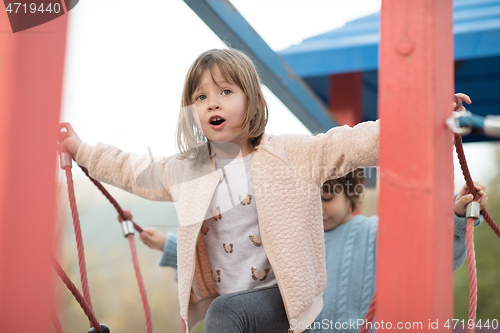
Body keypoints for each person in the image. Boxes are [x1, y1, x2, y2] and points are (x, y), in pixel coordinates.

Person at [58, 48, 468, 333]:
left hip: (280, 299)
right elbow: (133, 169)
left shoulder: (289, 154)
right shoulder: (188, 171)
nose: (212, 103)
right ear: (192, 112)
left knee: (222, 315)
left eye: (224, 92)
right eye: (201, 97)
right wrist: (82, 149)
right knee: (225, 312)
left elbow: (350, 143)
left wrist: (422, 116)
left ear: (251, 101)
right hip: (235, 308)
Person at [141, 172, 488, 333]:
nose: (318, 210)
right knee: (227, 312)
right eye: (309, 202)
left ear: (352, 198)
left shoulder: (371, 232)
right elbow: (232, 260)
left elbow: (430, 254)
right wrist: (168, 246)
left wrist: (457, 217)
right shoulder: (291, 238)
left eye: (327, 199)